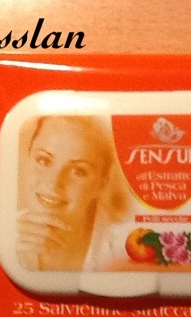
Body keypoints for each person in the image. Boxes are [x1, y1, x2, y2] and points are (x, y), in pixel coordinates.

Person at [17, 115, 130, 271]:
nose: (54, 184)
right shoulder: (6, 240)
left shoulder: (125, 248)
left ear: (100, 185)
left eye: (78, 171)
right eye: (43, 160)